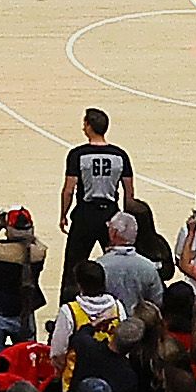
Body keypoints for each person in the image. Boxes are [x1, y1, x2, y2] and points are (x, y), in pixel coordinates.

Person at [59, 107, 134, 277]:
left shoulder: (77, 154)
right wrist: (126, 218)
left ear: (89, 126)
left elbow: (69, 190)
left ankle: (69, 300)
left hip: (85, 213)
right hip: (111, 214)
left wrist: (63, 214)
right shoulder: (120, 155)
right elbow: (129, 192)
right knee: (115, 261)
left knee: (74, 263)